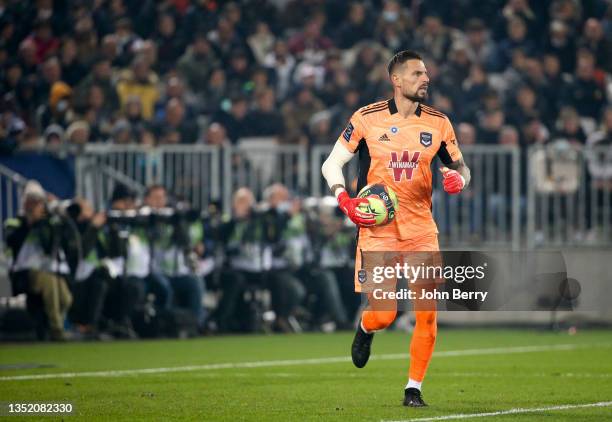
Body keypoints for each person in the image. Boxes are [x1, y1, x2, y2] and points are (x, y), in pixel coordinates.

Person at [321, 50, 471, 407]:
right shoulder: (366, 118)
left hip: (421, 227)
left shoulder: (439, 123)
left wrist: (458, 181)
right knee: (385, 314)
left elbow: (463, 168)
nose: (426, 79)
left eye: (427, 73)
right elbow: (331, 165)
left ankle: (413, 389)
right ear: (397, 80)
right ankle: (365, 326)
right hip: (378, 229)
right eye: (418, 73)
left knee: (427, 313)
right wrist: (345, 201)